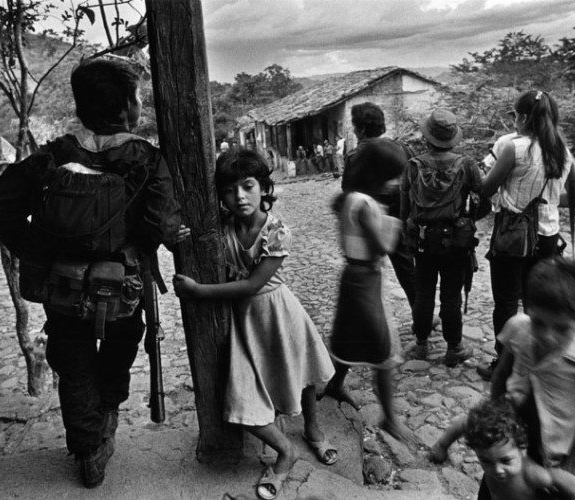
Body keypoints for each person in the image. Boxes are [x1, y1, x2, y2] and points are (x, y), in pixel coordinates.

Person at [0, 57, 187, 488]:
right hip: (124, 288)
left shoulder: (53, 154)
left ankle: (87, 448)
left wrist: (42, 249)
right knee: (119, 350)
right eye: (138, 98)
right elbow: (164, 226)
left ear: (81, 106)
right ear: (127, 106)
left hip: (64, 286)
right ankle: (107, 417)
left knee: (73, 365)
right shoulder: (147, 159)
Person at [172, 150, 336, 500]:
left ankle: (313, 428)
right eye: (230, 191)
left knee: (302, 374)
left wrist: (199, 292)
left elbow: (251, 285)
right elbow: (189, 232)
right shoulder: (223, 226)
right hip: (245, 323)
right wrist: (179, 232)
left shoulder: (277, 231)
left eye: (248, 186)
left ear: (264, 188)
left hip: (279, 313)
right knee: (241, 400)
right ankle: (286, 451)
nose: (240, 197)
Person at [478, 90, 575, 380]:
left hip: (513, 235)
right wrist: (548, 200)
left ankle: (504, 364)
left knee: (506, 303)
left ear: (523, 117)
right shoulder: (563, 151)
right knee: (533, 302)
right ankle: (533, 361)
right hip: (547, 237)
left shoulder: (514, 149)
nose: (514, 120)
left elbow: (485, 189)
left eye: (515, 114)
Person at [490, 258, 575, 490]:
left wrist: (567, 470)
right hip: (510, 446)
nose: (547, 336)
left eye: (561, 328)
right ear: (528, 309)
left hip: (558, 459)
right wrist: (496, 424)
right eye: (538, 322)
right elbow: (500, 376)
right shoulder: (518, 328)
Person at [324, 139, 414, 443]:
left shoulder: (350, 197)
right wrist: (394, 224)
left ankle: (335, 385)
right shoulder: (365, 204)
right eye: (393, 176)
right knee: (383, 347)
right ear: (379, 174)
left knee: (347, 334)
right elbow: (382, 247)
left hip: (352, 274)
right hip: (366, 278)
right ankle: (390, 418)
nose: (396, 182)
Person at [400, 108, 483, 367]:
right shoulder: (467, 165)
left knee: (424, 292)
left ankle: (422, 345)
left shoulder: (412, 166)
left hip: (422, 240)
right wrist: (466, 220)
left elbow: (404, 208)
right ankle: (454, 347)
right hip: (456, 240)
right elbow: (483, 202)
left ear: (427, 137)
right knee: (451, 294)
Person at [430, 399, 575, 500]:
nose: (497, 469)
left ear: (523, 448)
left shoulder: (534, 475)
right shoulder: (492, 450)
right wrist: (442, 444)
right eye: (485, 461)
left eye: (505, 461)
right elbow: (465, 423)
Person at [341, 102, 417, 312]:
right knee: (408, 268)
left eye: (355, 126)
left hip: (373, 218)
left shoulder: (356, 156)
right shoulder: (401, 148)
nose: (354, 131)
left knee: (370, 268)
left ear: (361, 129)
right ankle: (422, 315)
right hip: (405, 213)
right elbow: (415, 181)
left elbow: (348, 190)